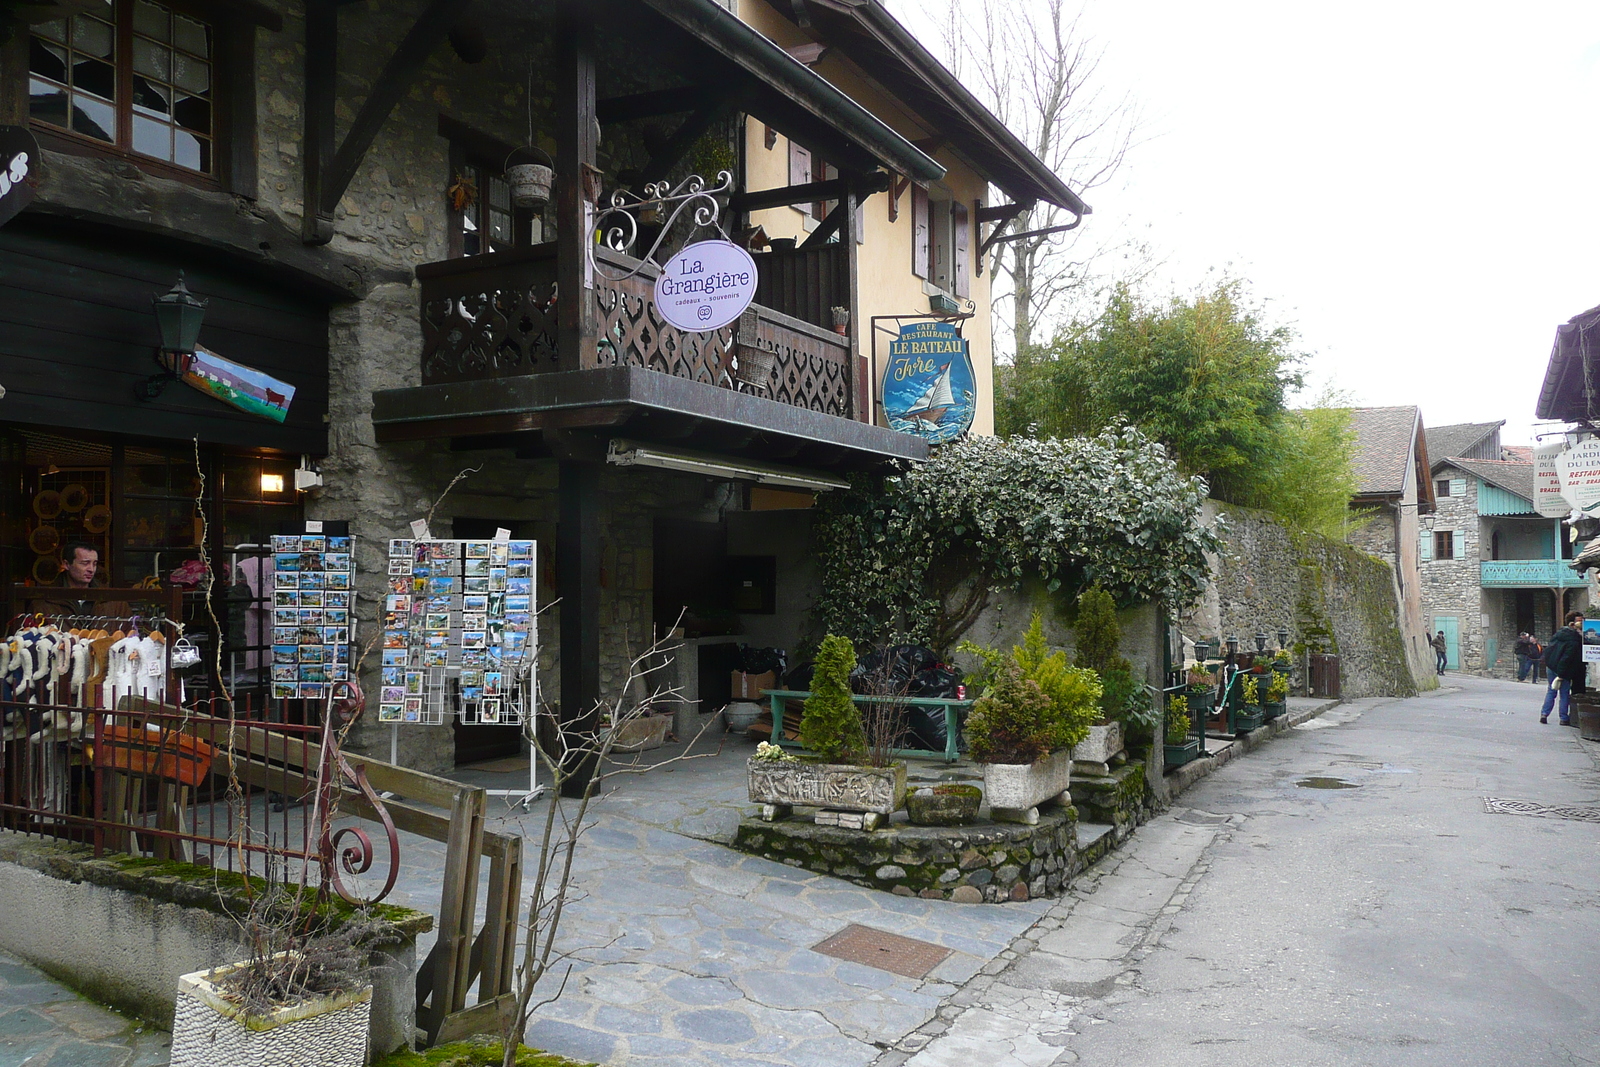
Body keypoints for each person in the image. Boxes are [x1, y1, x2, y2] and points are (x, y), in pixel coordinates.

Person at [1539, 611, 1587, 726]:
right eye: (1579, 621)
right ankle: (1564, 717)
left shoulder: (1559, 633)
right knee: (1564, 692)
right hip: (1563, 668)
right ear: (1572, 623)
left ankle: (1544, 714)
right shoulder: (1574, 639)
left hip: (1552, 666)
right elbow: (1567, 657)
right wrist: (1561, 673)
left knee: (1551, 690)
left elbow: (1550, 650)